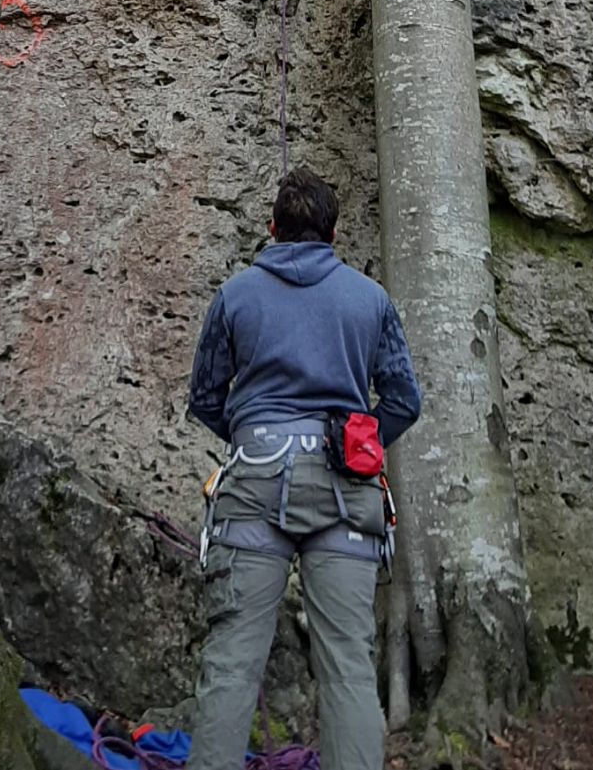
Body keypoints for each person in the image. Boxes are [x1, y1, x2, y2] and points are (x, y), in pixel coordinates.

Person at [186, 166, 422, 770]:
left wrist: (251, 437)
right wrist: (358, 442)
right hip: (347, 490)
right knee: (347, 660)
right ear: (334, 235)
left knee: (233, 659)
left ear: (271, 229)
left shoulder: (234, 295)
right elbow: (403, 401)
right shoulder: (369, 299)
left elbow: (206, 398)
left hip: (253, 482)